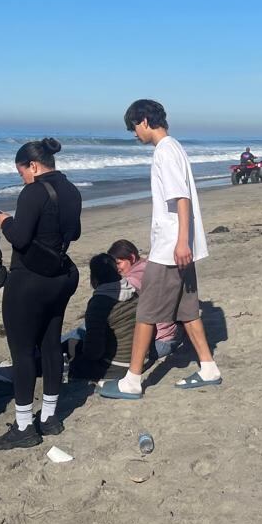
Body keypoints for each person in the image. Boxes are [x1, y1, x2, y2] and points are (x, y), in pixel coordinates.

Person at [100, 100, 222, 399]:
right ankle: (208, 367)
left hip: (170, 249)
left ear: (144, 120)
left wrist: (180, 242)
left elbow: (181, 198)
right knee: (187, 311)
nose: (134, 135)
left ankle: (132, 380)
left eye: (133, 128)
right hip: (180, 247)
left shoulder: (164, 151)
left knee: (146, 313)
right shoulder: (175, 147)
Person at [0, 138, 82, 450]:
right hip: (60, 277)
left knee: (23, 352)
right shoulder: (72, 189)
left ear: (33, 165)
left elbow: (20, 237)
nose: (23, 179)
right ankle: (51, 418)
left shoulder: (33, 191)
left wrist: (5, 222)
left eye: (22, 173)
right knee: (50, 345)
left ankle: (24, 425)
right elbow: (75, 233)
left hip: (29, 281)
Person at [68, 253, 138, 381]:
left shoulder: (99, 303)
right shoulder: (132, 292)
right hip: (139, 360)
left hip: (117, 366)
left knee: (72, 348)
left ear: (94, 277)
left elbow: (94, 352)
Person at [107, 239, 178, 359]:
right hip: (171, 333)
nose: (116, 268)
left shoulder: (134, 280)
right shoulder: (148, 266)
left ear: (132, 258)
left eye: (118, 263)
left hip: (159, 342)